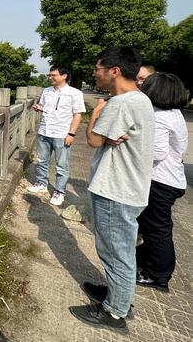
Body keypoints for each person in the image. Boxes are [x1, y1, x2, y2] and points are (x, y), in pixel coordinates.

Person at [69, 46, 154, 334]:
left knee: (115, 252)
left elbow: (93, 140)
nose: (96, 74)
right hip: (131, 187)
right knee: (121, 249)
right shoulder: (141, 99)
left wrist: (98, 112)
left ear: (114, 71)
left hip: (116, 189)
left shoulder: (118, 104)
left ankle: (115, 313)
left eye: (98, 69)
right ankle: (118, 296)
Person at [135, 72, 189, 290]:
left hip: (160, 181)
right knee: (155, 227)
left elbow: (156, 152)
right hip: (170, 179)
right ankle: (150, 264)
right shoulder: (174, 113)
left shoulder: (159, 117)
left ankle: (158, 274)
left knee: (157, 229)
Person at [28, 66, 86, 206]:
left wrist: (71, 133)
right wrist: (39, 108)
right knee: (41, 160)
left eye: (53, 75)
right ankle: (41, 183)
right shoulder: (46, 91)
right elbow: (45, 107)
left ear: (64, 75)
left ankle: (59, 191)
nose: (50, 78)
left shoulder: (74, 93)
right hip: (44, 131)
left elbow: (78, 115)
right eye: (49, 75)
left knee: (62, 165)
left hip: (62, 133)